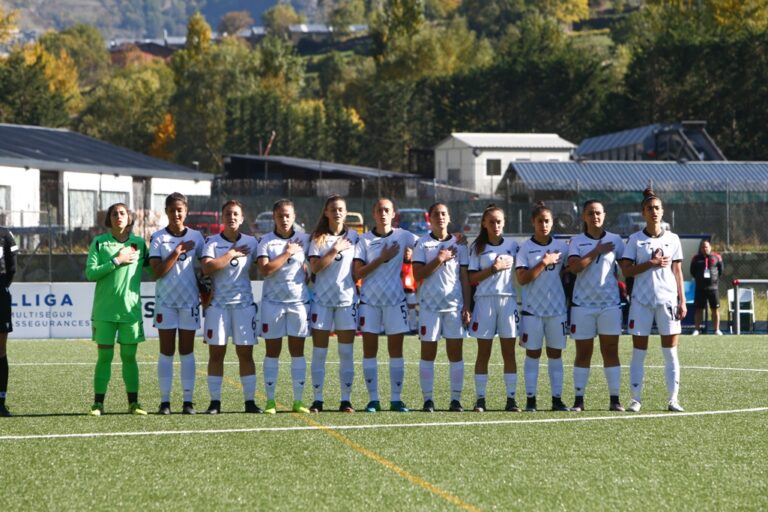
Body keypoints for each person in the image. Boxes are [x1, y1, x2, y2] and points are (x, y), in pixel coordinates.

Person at [620, 188, 686, 413]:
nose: (654, 212)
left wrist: (682, 300)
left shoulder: (673, 238)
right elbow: (627, 271)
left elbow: (678, 272)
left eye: (657, 208)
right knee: (639, 352)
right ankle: (636, 399)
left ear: (663, 211)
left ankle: (673, 399)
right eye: (649, 209)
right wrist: (650, 263)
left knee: (670, 353)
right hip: (641, 302)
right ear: (643, 212)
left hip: (668, 301)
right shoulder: (635, 240)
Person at [353, 198, 418, 412]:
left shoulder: (404, 236)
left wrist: (456, 239)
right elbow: (357, 273)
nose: (383, 213)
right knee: (369, 352)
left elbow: (429, 244)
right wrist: (382, 258)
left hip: (395, 302)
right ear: (373, 213)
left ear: (393, 214)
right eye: (379, 209)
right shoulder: (363, 240)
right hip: (369, 303)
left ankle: (396, 399)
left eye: (387, 210)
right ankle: (373, 400)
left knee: (396, 352)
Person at [85, 203, 149, 416]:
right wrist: (117, 260)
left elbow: (155, 267)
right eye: (114, 214)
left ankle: (134, 403)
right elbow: (91, 274)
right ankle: (98, 404)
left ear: (129, 218)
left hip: (130, 312)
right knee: (104, 358)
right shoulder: (99, 243)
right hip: (104, 312)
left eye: (122, 213)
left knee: (129, 358)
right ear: (109, 219)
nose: (118, 216)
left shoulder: (139, 244)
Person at [201, 200, 261, 414]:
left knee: (245, 355)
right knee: (216, 355)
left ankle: (250, 402)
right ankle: (215, 402)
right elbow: (207, 268)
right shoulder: (212, 242)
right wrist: (231, 254)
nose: (232, 217)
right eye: (228, 214)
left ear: (242, 218)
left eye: (236, 214)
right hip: (217, 307)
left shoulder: (252, 242)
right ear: (222, 217)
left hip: (244, 307)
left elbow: (264, 264)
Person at [149, 192, 205, 415]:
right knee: (166, 352)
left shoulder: (197, 237)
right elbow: (157, 272)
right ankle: (165, 402)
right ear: (166, 212)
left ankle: (188, 401)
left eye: (180, 210)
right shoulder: (158, 238)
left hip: (189, 302)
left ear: (186, 211)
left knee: (187, 351)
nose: (176, 214)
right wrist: (177, 251)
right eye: (172, 210)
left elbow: (205, 268)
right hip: (166, 303)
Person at [567, 200, 626, 412]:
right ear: (584, 217)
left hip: (610, 305)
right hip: (582, 306)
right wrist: (596, 251)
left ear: (604, 215)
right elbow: (574, 268)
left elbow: (627, 267)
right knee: (583, 353)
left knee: (610, 351)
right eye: (590, 213)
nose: (595, 217)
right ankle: (579, 400)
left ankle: (615, 399)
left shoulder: (616, 240)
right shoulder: (577, 241)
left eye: (598, 213)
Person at [412, 203, 471, 412]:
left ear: (449, 217)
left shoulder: (460, 243)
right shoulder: (422, 243)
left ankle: (456, 400)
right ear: (430, 218)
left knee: (456, 354)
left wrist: (467, 306)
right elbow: (417, 275)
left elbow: (464, 277)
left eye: (444, 213)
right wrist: (440, 258)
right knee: (428, 354)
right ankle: (428, 400)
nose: (440, 217)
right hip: (429, 308)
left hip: (454, 307)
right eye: (436, 214)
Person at [256, 199, 312, 414]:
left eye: (288, 215)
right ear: (274, 217)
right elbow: (266, 270)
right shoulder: (266, 242)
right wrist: (287, 253)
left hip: (298, 304)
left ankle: (298, 401)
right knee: (272, 353)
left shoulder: (305, 240)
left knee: (297, 353)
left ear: (294, 217)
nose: (284, 219)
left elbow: (311, 264)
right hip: (272, 305)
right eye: (280, 215)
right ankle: (271, 402)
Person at [516, 202, 570, 412]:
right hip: (532, 312)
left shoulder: (563, 247)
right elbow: (522, 279)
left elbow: (569, 271)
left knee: (555, 355)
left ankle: (557, 399)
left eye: (547, 221)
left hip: (557, 311)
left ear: (552, 222)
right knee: (533, 355)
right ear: (533, 222)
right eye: (540, 221)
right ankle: (531, 399)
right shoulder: (525, 248)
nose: (544, 225)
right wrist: (544, 262)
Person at [307, 195, 359, 413]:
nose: (337, 212)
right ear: (326, 212)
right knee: (319, 353)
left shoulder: (356, 237)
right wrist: (335, 249)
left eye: (341, 209)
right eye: (333, 209)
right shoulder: (317, 238)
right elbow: (316, 268)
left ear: (345, 213)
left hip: (347, 302)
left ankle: (345, 400)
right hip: (322, 302)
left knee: (346, 353)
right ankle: (317, 400)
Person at [467, 205, 520, 413]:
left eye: (499, 221)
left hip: (507, 301)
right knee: (484, 352)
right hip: (484, 301)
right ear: (484, 224)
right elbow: (471, 278)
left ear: (504, 222)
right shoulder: (477, 247)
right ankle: (480, 399)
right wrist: (493, 269)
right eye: (491, 221)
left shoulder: (514, 245)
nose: (496, 225)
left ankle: (511, 399)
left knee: (509, 353)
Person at [0, 226, 18, 417]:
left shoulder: (5, 234)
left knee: (0, 350)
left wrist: (2, 288)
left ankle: (0, 402)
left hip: (0, 296)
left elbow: (12, 268)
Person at [690, 239, 723, 335]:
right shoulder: (696, 258)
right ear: (701, 248)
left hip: (713, 288)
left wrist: (714, 280)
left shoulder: (717, 257)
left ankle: (717, 330)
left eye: (706, 247)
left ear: (710, 247)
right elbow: (692, 271)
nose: (705, 248)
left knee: (715, 309)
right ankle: (696, 329)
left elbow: (721, 271)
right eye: (703, 247)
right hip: (700, 288)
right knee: (699, 309)